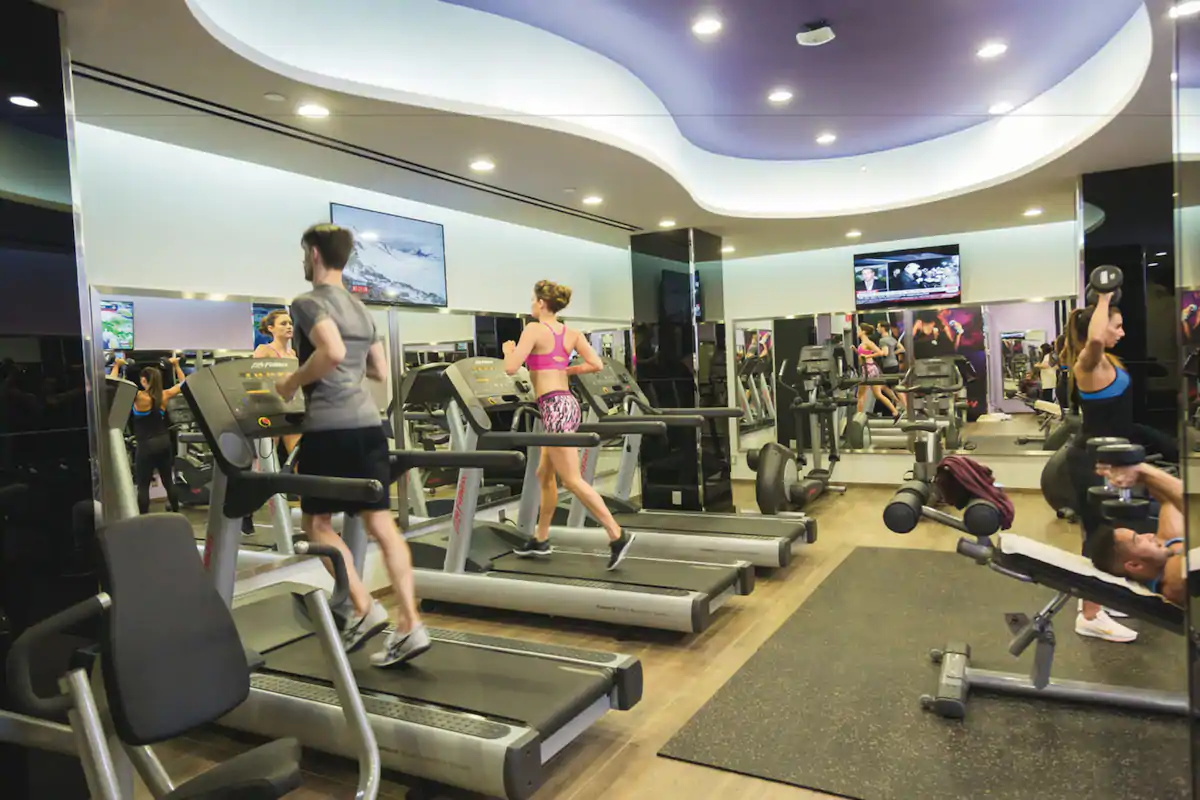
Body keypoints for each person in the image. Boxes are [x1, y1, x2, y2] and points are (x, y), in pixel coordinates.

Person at [274, 223, 427, 667]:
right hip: (368, 426)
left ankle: (364, 607)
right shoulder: (361, 308)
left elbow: (333, 351)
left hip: (330, 428)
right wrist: (347, 372)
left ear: (314, 254)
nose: (303, 261)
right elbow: (378, 369)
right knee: (382, 524)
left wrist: (291, 381)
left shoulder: (308, 302)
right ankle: (410, 623)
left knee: (317, 523)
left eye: (304, 253)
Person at [1059, 291, 1180, 642]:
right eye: (1117, 326)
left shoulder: (1108, 361)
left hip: (1113, 456)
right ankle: (1089, 615)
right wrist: (1103, 298)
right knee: (1099, 535)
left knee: (1116, 533)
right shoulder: (1088, 363)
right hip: (1092, 461)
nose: (1122, 332)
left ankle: (1105, 597)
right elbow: (1096, 338)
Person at [502, 279, 637, 569]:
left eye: (533, 300)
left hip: (554, 406)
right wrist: (564, 369)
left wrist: (507, 350)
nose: (532, 304)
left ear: (541, 303)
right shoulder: (571, 333)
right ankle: (540, 539)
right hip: (567, 403)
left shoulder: (533, 329)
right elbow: (596, 364)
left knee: (572, 480)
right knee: (544, 474)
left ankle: (617, 534)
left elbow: (511, 368)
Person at [1086, 459, 1186, 607]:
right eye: (1138, 540)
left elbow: (1169, 501)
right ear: (1134, 565)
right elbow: (1194, 506)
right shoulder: (1175, 581)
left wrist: (1133, 474)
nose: (1149, 535)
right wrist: (1142, 471)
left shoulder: (1166, 544)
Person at [111, 355, 186, 515]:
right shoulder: (164, 395)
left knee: (143, 486)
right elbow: (184, 384)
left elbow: (112, 383)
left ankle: (144, 519)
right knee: (168, 481)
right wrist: (176, 365)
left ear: (144, 380)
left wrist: (117, 365)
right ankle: (177, 513)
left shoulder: (138, 396)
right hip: (164, 442)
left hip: (146, 446)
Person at [855, 323, 899, 422]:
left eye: (859, 330)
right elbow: (862, 355)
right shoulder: (863, 343)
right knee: (878, 394)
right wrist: (855, 350)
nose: (857, 332)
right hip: (868, 368)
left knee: (860, 395)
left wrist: (867, 356)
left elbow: (880, 352)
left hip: (869, 369)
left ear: (863, 331)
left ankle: (858, 418)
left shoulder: (867, 342)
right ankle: (895, 412)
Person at [876, 322, 907, 414]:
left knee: (893, 386)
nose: (877, 329)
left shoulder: (883, 340)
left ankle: (905, 406)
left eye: (878, 327)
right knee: (885, 386)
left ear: (882, 328)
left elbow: (885, 353)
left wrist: (875, 353)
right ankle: (898, 403)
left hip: (889, 366)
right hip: (894, 364)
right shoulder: (892, 339)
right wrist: (893, 353)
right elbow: (902, 348)